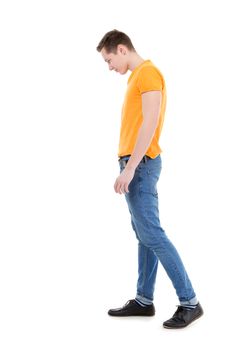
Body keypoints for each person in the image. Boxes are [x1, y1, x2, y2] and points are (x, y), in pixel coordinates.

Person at [96, 29, 203, 329]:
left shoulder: (147, 73)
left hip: (140, 165)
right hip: (136, 163)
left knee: (153, 234)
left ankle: (190, 302)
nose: (109, 67)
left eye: (108, 60)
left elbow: (151, 121)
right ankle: (144, 300)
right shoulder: (137, 76)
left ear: (121, 49)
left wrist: (129, 167)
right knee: (144, 235)